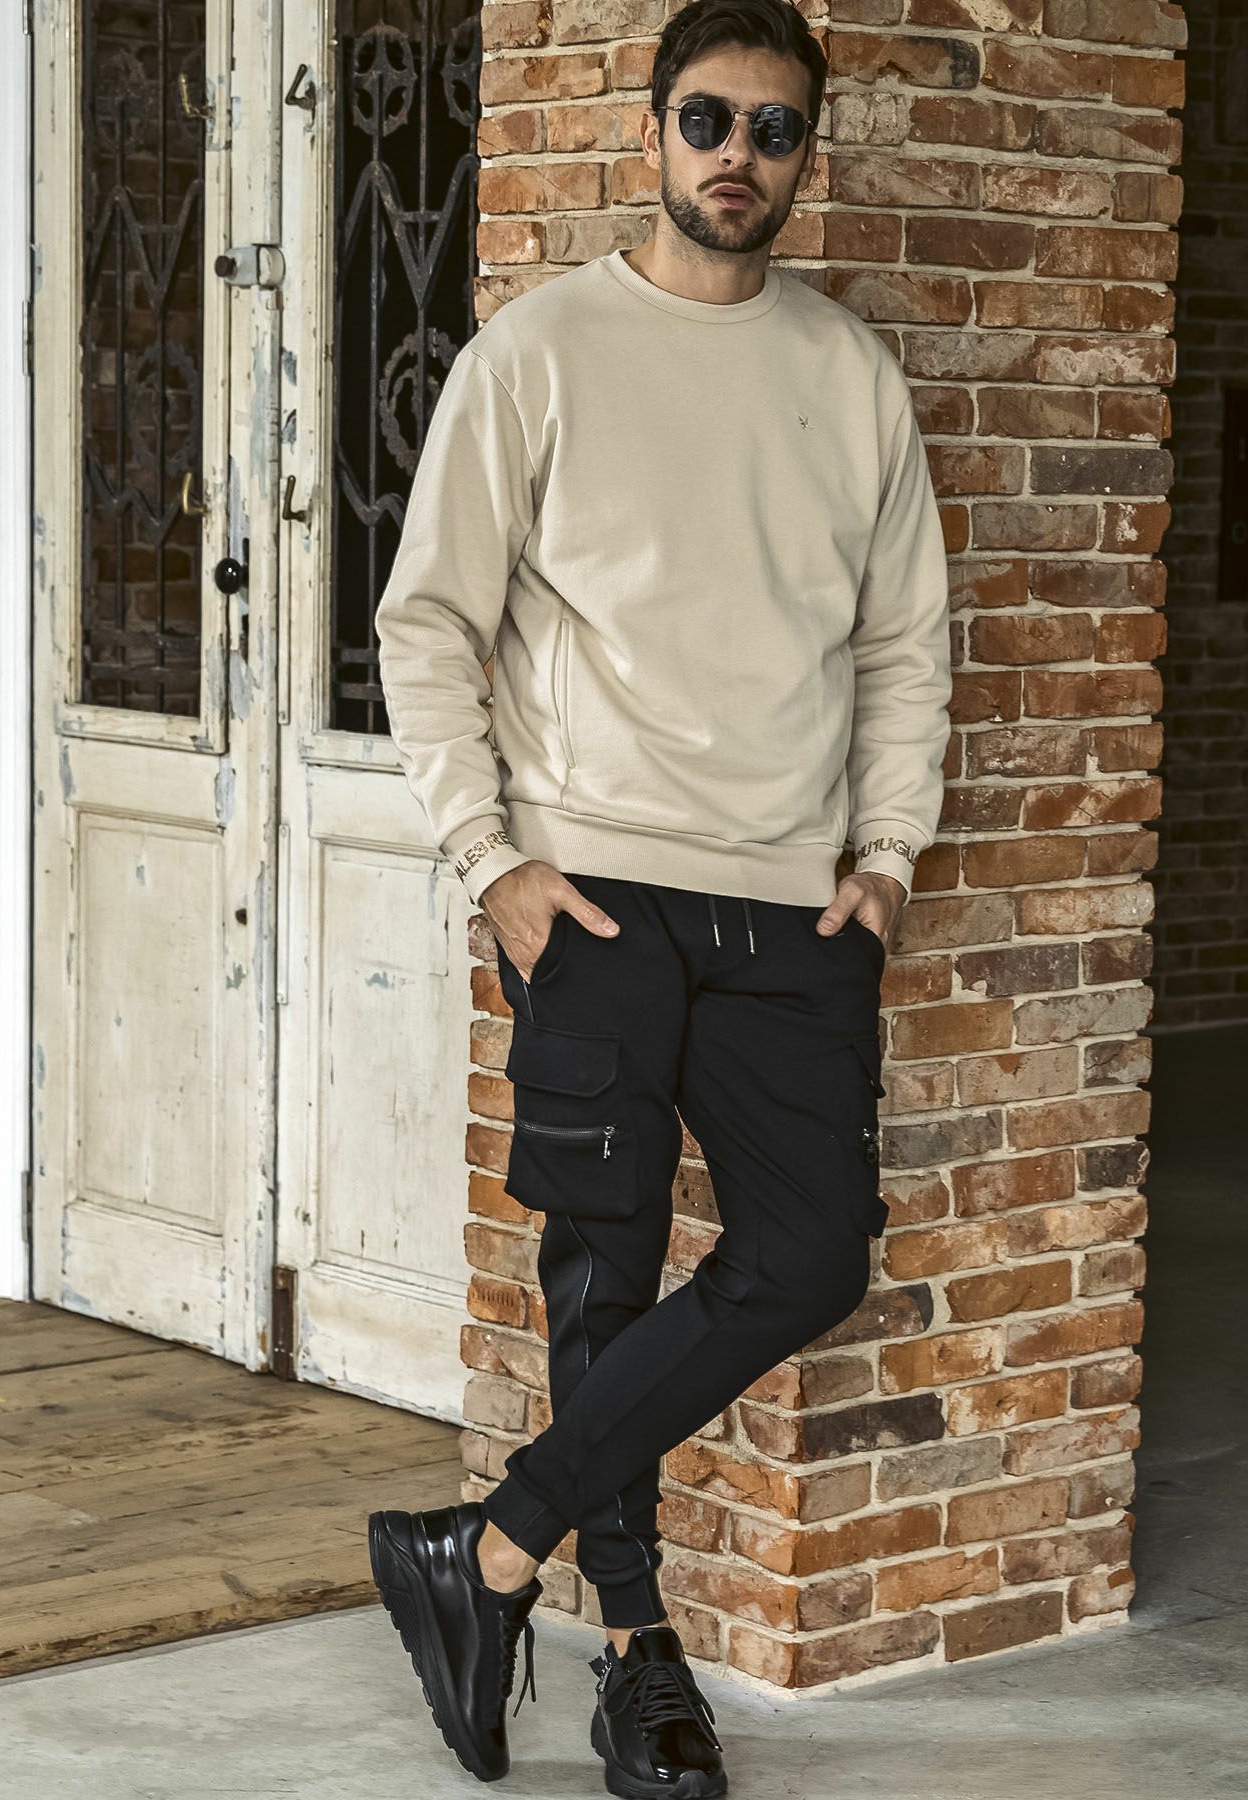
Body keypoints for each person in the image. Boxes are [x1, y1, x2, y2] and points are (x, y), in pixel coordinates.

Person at [367, 0, 951, 1790]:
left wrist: (886, 859)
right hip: (598, 898)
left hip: (791, 912)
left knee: (811, 1252)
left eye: (774, 129)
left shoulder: (850, 374)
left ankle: (486, 1550)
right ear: (652, 133)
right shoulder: (539, 354)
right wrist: (491, 861)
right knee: (602, 1281)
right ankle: (638, 1659)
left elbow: (904, 644)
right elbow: (429, 624)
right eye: (709, 119)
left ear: (807, 155)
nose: (737, 156)